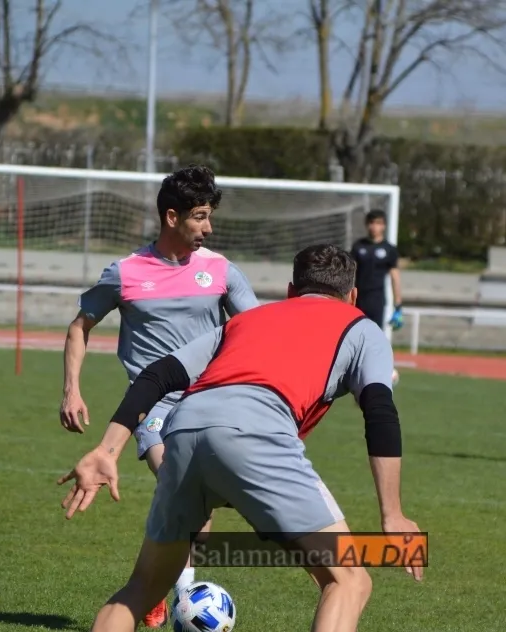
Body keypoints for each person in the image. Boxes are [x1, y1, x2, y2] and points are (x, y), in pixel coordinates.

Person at [57, 243, 423, 632]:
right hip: (255, 434)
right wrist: (392, 514)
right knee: (349, 580)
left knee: (142, 587)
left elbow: (157, 376)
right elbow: (380, 412)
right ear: (353, 296)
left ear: (291, 291)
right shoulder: (363, 328)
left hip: (183, 430)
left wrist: (107, 449)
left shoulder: (248, 320)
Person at [58, 164, 260, 628]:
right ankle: (179, 592)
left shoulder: (221, 270)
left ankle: (165, 581)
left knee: (199, 499)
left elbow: (257, 332)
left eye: (209, 217)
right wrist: (72, 390)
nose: (209, 228)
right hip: (152, 406)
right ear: (172, 217)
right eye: (200, 217)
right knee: (180, 477)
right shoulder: (125, 272)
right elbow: (79, 327)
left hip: (210, 402)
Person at [350, 209, 403, 331]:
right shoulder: (358, 246)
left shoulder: (389, 249)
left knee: (374, 334)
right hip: (358, 299)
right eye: (371, 223)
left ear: (384, 226)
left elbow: (395, 277)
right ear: (367, 224)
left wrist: (398, 305)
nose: (374, 227)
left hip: (377, 300)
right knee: (355, 334)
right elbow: (350, 273)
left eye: (378, 223)